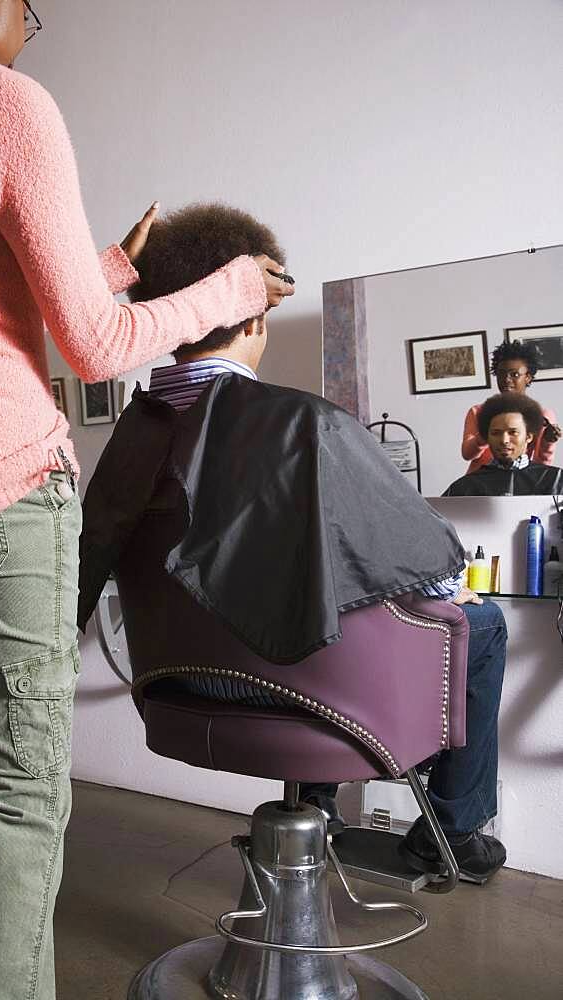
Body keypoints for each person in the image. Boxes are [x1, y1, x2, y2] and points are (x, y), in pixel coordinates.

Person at [0, 3, 294, 997]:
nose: (27, 33)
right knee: (19, 789)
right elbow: (95, 350)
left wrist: (105, 269)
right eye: (29, 12)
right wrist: (230, 285)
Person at [78, 203, 508, 886]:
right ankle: (451, 829)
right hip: (320, 705)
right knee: (478, 621)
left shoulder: (130, 438)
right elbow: (432, 579)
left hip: (175, 689)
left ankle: (320, 811)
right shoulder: (305, 425)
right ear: (255, 316)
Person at [461, 339, 561, 473]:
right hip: (479, 485)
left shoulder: (541, 416)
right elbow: (467, 454)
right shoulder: (478, 412)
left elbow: (540, 467)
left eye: (515, 374)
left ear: (528, 377)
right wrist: (485, 434)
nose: (507, 380)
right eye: (501, 374)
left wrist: (547, 442)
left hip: (521, 485)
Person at [447, 394, 563, 496]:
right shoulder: (465, 487)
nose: (504, 440)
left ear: (528, 437)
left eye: (513, 432)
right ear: (487, 437)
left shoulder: (555, 480)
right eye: (496, 433)